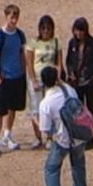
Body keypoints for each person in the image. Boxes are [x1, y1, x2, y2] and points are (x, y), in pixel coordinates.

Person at [35, 65, 90, 186]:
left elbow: (45, 129)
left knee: (52, 168)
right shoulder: (69, 90)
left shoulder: (46, 103)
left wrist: (48, 135)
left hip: (62, 138)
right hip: (78, 133)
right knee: (78, 161)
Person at [0, 3, 28, 156]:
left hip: (17, 77)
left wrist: (24, 72)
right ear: (6, 17)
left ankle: (7, 134)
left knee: (13, 108)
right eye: (12, 17)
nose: (14, 20)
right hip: (4, 78)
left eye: (16, 17)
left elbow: (22, 54)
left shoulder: (20, 35)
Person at [25, 15, 60, 148]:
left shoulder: (55, 42)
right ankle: (38, 136)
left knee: (50, 108)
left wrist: (57, 78)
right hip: (37, 78)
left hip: (50, 80)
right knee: (36, 108)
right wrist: (33, 80)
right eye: (43, 28)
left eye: (48, 29)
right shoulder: (33, 43)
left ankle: (49, 137)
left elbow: (59, 62)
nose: (45, 31)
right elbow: (29, 62)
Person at [63, 17, 93, 120]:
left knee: (91, 109)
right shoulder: (72, 43)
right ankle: (81, 129)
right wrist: (71, 73)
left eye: (81, 31)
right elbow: (69, 61)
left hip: (89, 82)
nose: (78, 33)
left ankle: (91, 129)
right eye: (76, 30)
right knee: (79, 109)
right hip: (76, 83)